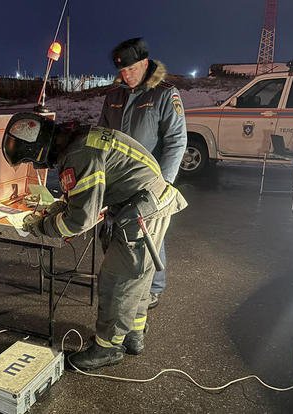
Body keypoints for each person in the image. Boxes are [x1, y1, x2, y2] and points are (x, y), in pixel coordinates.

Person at [2, 113, 187, 370]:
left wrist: (42, 226)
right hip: (145, 202)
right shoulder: (79, 139)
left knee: (118, 280)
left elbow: (78, 221)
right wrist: (59, 208)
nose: (36, 166)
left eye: (33, 160)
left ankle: (107, 348)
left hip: (141, 211)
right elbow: (87, 193)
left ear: (40, 150)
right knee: (137, 278)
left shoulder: (78, 155)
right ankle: (133, 335)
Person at [98, 37, 187, 309]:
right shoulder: (114, 95)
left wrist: (164, 184)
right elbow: (101, 135)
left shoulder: (163, 94)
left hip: (150, 182)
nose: (126, 75)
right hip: (117, 179)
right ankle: (123, 279)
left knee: (148, 233)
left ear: (145, 64)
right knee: (116, 229)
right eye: (122, 71)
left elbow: (176, 141)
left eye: (132, 69)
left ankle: (154, 288)